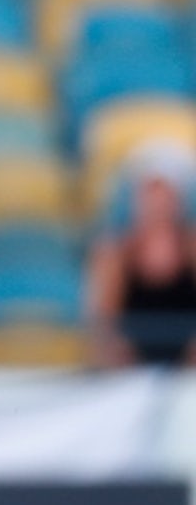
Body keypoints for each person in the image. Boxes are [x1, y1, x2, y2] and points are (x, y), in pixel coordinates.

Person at [86, 148, 196, 368]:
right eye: (149, 192)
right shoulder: (114, 253)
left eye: (164, 192)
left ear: (179, 198)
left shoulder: (191, 248)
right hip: (128, 367)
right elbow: (103, 322)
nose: (157, 202)